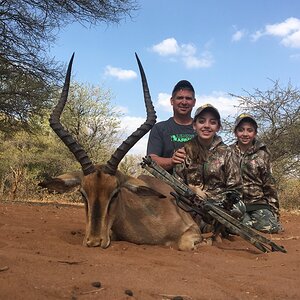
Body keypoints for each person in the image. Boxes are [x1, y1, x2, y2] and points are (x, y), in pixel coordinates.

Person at [174, 104, 244, 232]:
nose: (206, 126)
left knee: (238, 209)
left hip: (219, 204)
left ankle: (207, 225)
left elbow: (235, 189)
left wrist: (211, 200)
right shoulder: (185, 150)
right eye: (201, 121)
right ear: (194, 125)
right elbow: (177, 184)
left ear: (218, 127)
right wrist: (193, 192)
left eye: (212, 122)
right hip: (192, 203)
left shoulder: (227, 152)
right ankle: (211, 227)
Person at [230, 113, 283, 233]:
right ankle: (247, 222)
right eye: (241, 130)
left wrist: (274, 212)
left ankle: (256, 221)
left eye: (249, 130)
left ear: (255, 133)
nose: (245, 134)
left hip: (258, 203)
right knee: (235, 229)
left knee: (271, 228)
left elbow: (269, 184)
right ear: (235, 132)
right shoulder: (228, 152)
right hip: (236, 203)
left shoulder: (263, 153)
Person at [146, 80, 196, 171]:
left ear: (194, 102)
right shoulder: (159, 128)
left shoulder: (203, 129)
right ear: (172, 101)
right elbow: (151, 158)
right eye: (180, 98)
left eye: (188, 98)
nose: (184, 102)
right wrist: (172, 161)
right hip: (166, 183)